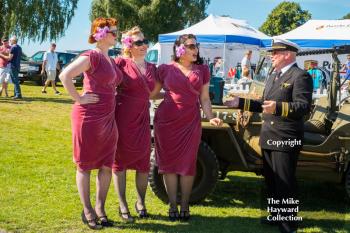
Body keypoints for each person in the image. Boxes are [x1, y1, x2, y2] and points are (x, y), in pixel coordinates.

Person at [225, 38, 313, 233]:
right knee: (272, 179)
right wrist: (240, 103)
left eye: (275, 52)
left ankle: (289, 223)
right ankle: (276, 215)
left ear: (288, 54)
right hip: (269, 135)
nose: (271, 56)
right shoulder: (274, 75)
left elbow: (303, 107)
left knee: (285, 180)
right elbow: (264, 103)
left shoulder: (300, 76)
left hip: (286, 137)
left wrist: (279, 107)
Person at [59, 17, 121, 230]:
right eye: (113, 31)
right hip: (89, 117)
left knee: (106, 165)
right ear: (101, 34)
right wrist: (79, 98)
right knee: (85, 165)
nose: (116, 34)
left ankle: (100, 208)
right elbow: (64, 75)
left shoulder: (110, 59)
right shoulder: (91, 56)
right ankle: (87, 211)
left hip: (108, 118)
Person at [152, 34, 222, 221]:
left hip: (190, 123)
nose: (195, 49)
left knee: (187, 165)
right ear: (179, 49)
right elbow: (152, 93)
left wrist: (211, 117)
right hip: (166, 122)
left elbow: (204, 98)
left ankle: (185, 205)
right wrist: (169, 96)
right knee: (168, 166)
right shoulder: (165, 69)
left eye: (196, 46)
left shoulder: (202, 70)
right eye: (191, 46)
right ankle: (172, 205)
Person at [112, 26, 157, 222]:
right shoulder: (120, 63)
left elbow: (153, 93)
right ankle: (122, 204)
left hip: (143, 119)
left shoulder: (153, 67)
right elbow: (106, 84)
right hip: (122, 118)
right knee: (119, 163)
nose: (144, 45)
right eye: (138, 42)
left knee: (143, 164)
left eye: (145, 41)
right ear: (129, 46)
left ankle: (141, 201)